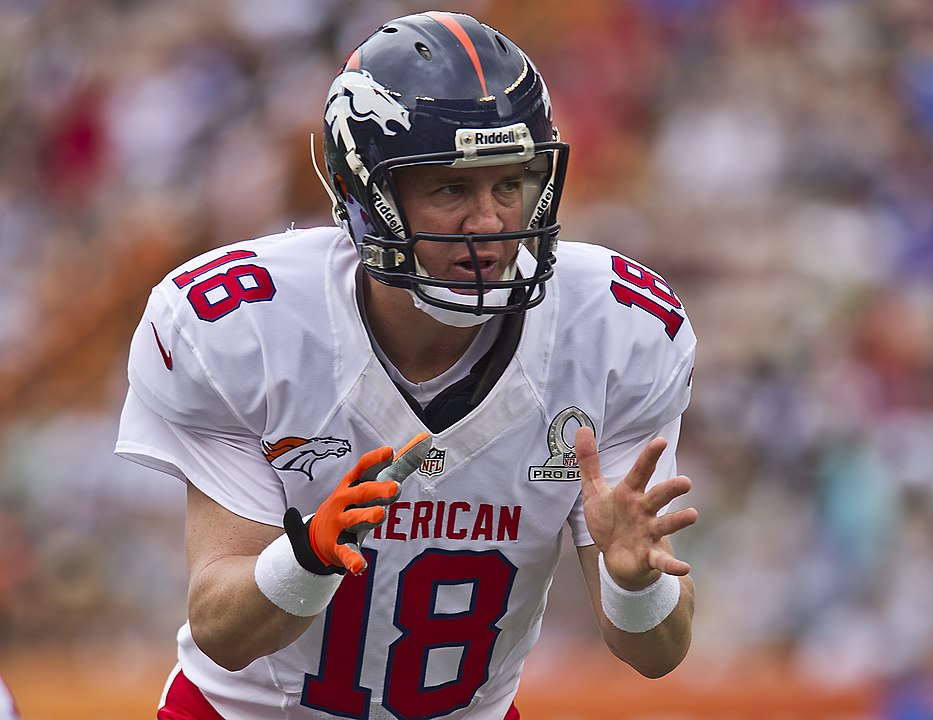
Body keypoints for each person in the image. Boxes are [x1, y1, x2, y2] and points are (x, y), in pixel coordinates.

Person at [116, 10, 698, 720]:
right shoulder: (245, 326)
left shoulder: (613, 331)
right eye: (451, 189)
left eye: (509, 184)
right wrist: (307, 559)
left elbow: (658, 653)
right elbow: (221, 632)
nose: (488, 224)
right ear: (362, 194)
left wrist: (636, 585)